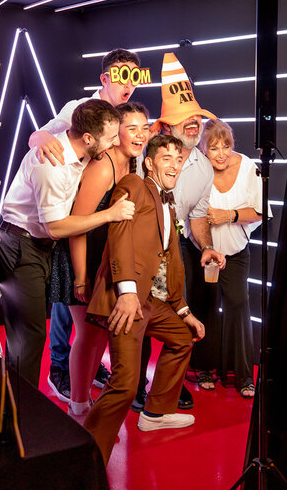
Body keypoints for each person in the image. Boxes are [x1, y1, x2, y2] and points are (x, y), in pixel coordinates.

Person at [83, 135, 205, 465]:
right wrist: (125, 293)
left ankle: (156, 412)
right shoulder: (133, 184)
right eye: (166, 158)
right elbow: (119, 234)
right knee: (125, 383)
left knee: (183, 337)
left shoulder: (168, 201)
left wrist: (183, 310)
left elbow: (167, 261)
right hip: (130, 299)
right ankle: (88, 460)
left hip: (153, 300)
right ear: (150, 163)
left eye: (178, 160)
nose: (174, 165)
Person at [28, 47, 141, 402]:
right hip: (67, 224)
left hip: (93, 230)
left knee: (88, 327)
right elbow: (41, 136)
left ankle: (83, 373)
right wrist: (40, 137)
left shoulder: (125, 121)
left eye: (134, 76)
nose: (129, 83)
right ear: (106, 77)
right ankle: (61, 371)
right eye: (122, 75)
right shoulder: (79, 109)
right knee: (68, 312)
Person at [0, 99, 135, 387]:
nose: (113, 144)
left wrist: (38, 134)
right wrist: (109, 214)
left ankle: (13, 411)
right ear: (88, 138)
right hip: (20, 246)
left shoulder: (82, 148)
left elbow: (42, 133)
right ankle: (19, 422)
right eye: (110, 139)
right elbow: (57, 227)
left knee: (27, 336)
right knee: (28, 337)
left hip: (40, 246)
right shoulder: (52, 164)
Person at [132, 52, 226, 411]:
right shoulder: (144, 157)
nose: (192, 124)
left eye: (196, 119)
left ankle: (169, 384)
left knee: (180, 316)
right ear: (166, 127)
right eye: (183, 120)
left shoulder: (203, 167)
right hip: (140, 249)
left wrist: (204, 247)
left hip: (176, 248)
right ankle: (136, 384)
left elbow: (198, 216)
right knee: (137, 316)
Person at [48, 102, 150, 419]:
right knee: (88, 333)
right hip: (81, 258)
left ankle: (83, 402)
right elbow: (76, 226)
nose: (140, 135)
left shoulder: (132, 164)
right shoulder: (103, 166)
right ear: (115, 132)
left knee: (98, 333)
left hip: (103, 259)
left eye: (144, 128)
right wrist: (80, 276)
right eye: (132, 128)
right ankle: (78, 407)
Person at [198, 118, 271, 397]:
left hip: (237, 253)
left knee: (238, 307)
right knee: (206, 308)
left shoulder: (248, 167)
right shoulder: (198, 170)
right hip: (204, 254)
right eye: (214, 147)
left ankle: (242, 375)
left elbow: (262, 210)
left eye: (225, 146)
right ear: (204, 150)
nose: (221, 153)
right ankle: (205, 367)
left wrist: (228, 215)